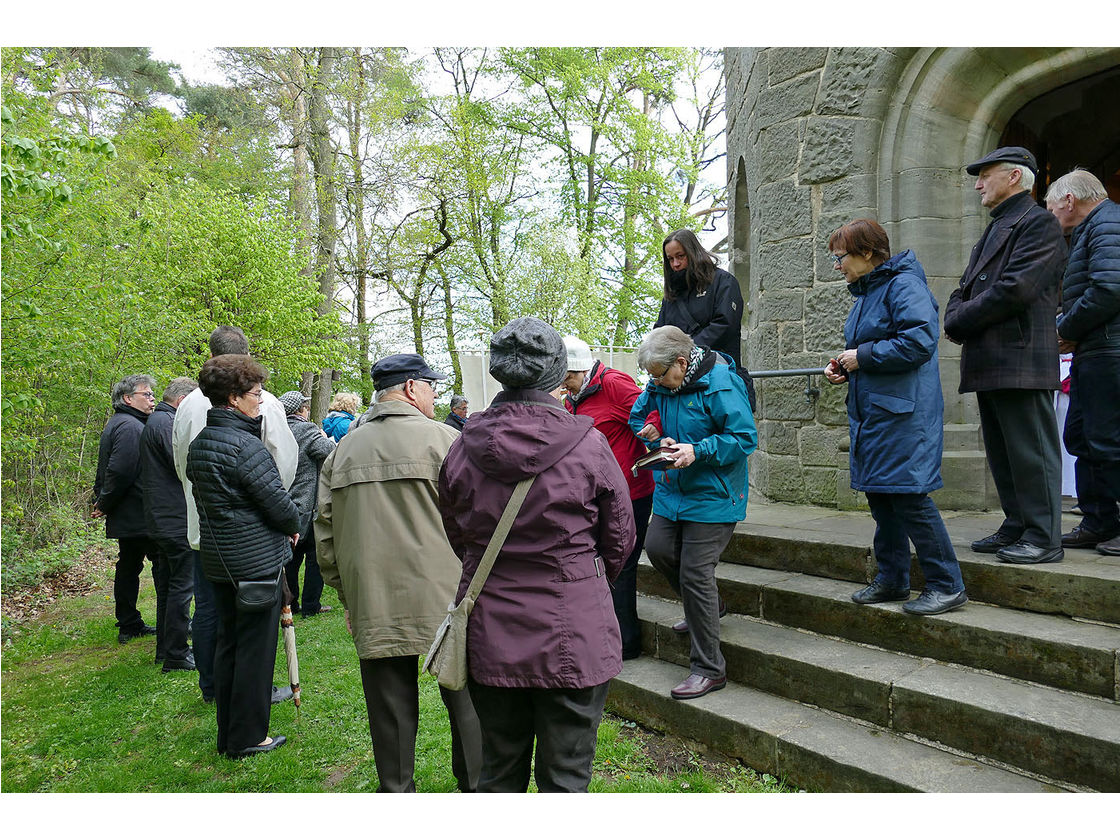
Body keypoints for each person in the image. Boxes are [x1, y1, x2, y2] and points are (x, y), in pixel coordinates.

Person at [439, 318, 636, 792]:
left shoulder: (462, 446)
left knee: (498, 773)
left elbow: (457, 532)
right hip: (573, 624)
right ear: (556, 373)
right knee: (566, 779)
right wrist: (585, 581)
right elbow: (620, 537)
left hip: (492, 627)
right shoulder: (588, 445)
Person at [316, 354, 482, 793]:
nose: (436, 396)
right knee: (468, 701)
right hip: (447, 600)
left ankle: (396, 793)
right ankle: (480, 791)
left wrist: (349, 596)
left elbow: (325, 536)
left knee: (389, 709)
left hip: (375, 599)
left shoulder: (342, 450)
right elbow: (478, 521)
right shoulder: (448, 441)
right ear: (412, 388)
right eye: (432, 387)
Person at [824, 219, 967, 615]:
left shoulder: (904, 285)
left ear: (867, 253)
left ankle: (947, 584)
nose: (837, 266)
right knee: (882, 498)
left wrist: (862, 357)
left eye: (841, 258)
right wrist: (844, 364)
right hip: (878, 413)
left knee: (909, 498)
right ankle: (893, 579)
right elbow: (872, 348)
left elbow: (919, 341)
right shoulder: (868, 293)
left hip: (903, 415)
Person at [944, 146, 1068, 564]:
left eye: (986, 175)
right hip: (993, 357)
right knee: (1004, 451)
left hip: (1020, 356)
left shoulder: (1038, 224)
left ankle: (1044, 536)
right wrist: (956, 314)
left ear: (1014, 177)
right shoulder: (996, 227)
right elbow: (962, 288)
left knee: (1031, 451)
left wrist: (959, 320)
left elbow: (1016, 288)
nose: (978, 183)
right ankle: (1017, 524)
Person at [629, 326, 756, 700]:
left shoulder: (721, 385)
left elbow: (744, 438)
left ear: (682, 363)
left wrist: (697, 450)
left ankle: (709, 669)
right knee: (659, 549)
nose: (655, 384)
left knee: (695, 571)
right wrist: (653, 434)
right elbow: (638, 418)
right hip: (673, 491)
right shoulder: (660, 382)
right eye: (651, 377)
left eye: (660, 375)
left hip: (714, 496)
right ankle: (711, 607)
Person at [172, 325, 297, 704]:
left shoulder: (187, 404)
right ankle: (246, 690)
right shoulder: (261, 402)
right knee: (249, 615)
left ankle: (214, 683)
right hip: (250, 528)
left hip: (203, 521)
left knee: (211, 607)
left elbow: (181, 461)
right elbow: (282, 461)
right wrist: (279, 510)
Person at [561, 335, 655, 660]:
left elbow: (650, 412)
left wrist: (650, 432)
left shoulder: (614, 384)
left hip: (631, 492)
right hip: (597, 496)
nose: (563, 385)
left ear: (581, 368)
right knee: (604, 563)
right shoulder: (572, 397)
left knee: (625, 563)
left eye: (567, 377)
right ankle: (609, 633)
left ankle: (627, 643)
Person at [1045, 168, 1120, 555]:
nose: (1052, 217)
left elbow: (1109, 288)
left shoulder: (1108, 224)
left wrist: (1065, 329)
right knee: (1083, 435)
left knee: (1108, 441)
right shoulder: (1095, 229)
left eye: (1052, 208)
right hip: (1095, 351)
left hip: (1110, 352)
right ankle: (1098, 521)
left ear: (1070, 200)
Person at [656, 228, 755, 410]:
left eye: (680, 256)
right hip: (682, 388)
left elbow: (724, 325)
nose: (675, 264)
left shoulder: (723, 282)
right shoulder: (671, 296)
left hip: (719, 380)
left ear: (693, 253)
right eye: (670, 259)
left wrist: (686, 351)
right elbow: (659, 334)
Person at [93, 374, 160, 644]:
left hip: (132, 510)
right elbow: (120, 471)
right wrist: (104, 502)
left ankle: (129, 623)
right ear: (128, 398)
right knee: (158, 565)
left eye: (153, 394)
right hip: (138, 511)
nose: (152, 398)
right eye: (147, 394)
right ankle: (145, 623)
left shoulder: (124, 422)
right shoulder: (130, 426)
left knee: (129, 565)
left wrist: (104, 501)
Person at [139, 376, 199, 670]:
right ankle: (176, 652)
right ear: (182, 400)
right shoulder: (166, 424)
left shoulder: (158, 421)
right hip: (173, 518)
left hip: (160, 517)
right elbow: (182, 467)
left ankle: (166, 648)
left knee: (167, 585)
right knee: (181, 586)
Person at [279, 390, 335, 617]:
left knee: (290, 559)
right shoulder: (306, 428)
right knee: (314, 558)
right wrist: (323, 436)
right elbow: (327, 451)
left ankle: (290, 603)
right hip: (307, 504)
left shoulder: (276, 428)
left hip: (284, 501)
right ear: (300, 409)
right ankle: (311, 605)